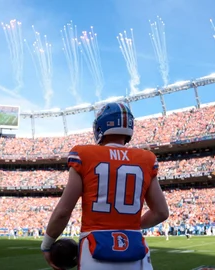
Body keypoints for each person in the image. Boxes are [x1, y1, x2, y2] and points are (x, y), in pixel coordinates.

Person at [41, 102, 169, 270]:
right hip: (136, 252)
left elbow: (63, 212)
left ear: (101, 126)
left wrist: (47, 245)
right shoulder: (146, 159)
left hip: (95, 250)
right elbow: (161, 212)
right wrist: (132, 225)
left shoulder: (84, 155)